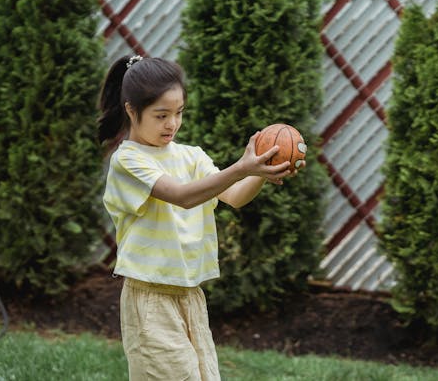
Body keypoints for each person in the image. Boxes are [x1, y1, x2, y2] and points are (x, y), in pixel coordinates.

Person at [97, 54, 297, 380]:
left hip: (190, 296)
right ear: (132, 110)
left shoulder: (191, 156)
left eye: (178, 113)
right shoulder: (128, 161)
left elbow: (234, 196)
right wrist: (241, 168)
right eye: (161, 115)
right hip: (151, 298)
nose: (172, 124)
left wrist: (260, 170)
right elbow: (183, 196)